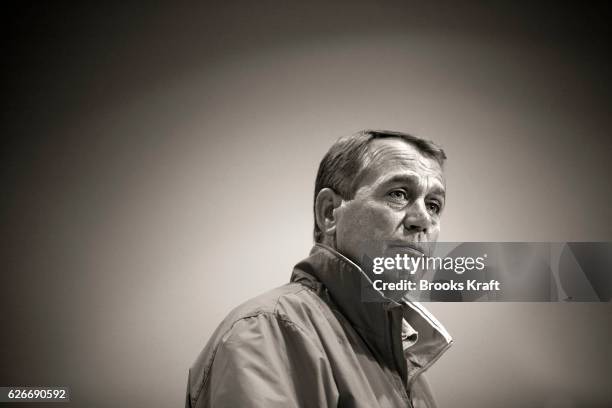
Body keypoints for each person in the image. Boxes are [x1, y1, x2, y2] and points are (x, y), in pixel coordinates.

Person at [185, 130, 453, 408]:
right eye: (398, 193)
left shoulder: (406, 365)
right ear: (329, 212)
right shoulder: (265, 331)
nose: (422, 219)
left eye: (434, 205)